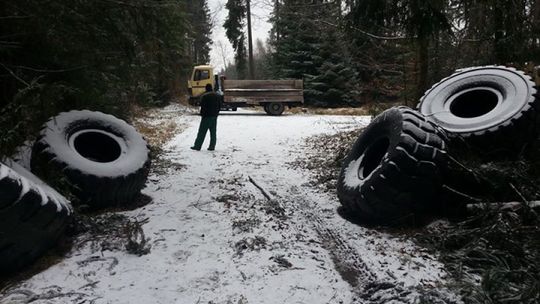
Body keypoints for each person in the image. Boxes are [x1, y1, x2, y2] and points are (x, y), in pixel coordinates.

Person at [191, 83, 220, 151]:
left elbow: (202, 106)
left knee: (202, 132)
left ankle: (197, 146)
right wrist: (216, 113)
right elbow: (219, 106)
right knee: (213, 132)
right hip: (214, 116)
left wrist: (202, 114)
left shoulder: (205, 96)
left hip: (206, 116)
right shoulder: (217, 96)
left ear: (206, 88)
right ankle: (212, 146)